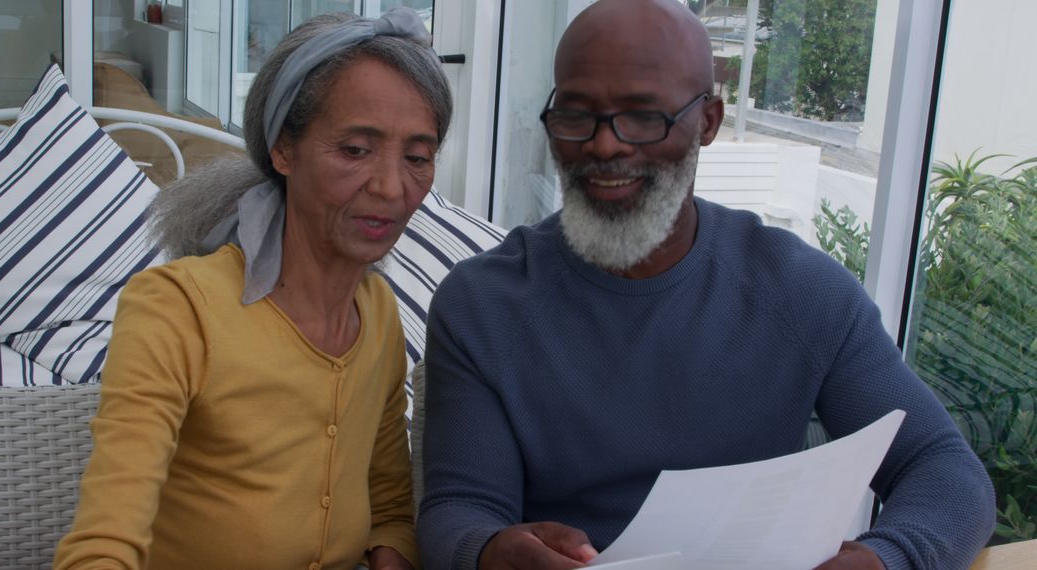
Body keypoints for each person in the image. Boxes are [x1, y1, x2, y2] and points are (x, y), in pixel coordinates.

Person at [415, 1, 995, 569]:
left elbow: (944, 469)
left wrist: (886, 558)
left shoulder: (801, 293)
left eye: (643, 115)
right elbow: (459, 509)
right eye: (575, 113)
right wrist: (486, 551)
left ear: (709, 122)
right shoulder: (483, 305)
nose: (604, 144)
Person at [53, 8, 451, 570]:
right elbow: (104, 544)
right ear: (283, 148)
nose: (391, 187)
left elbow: (387, 505)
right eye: (355, 150)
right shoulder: (179, 308)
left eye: (417, 157)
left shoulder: (378, 313)